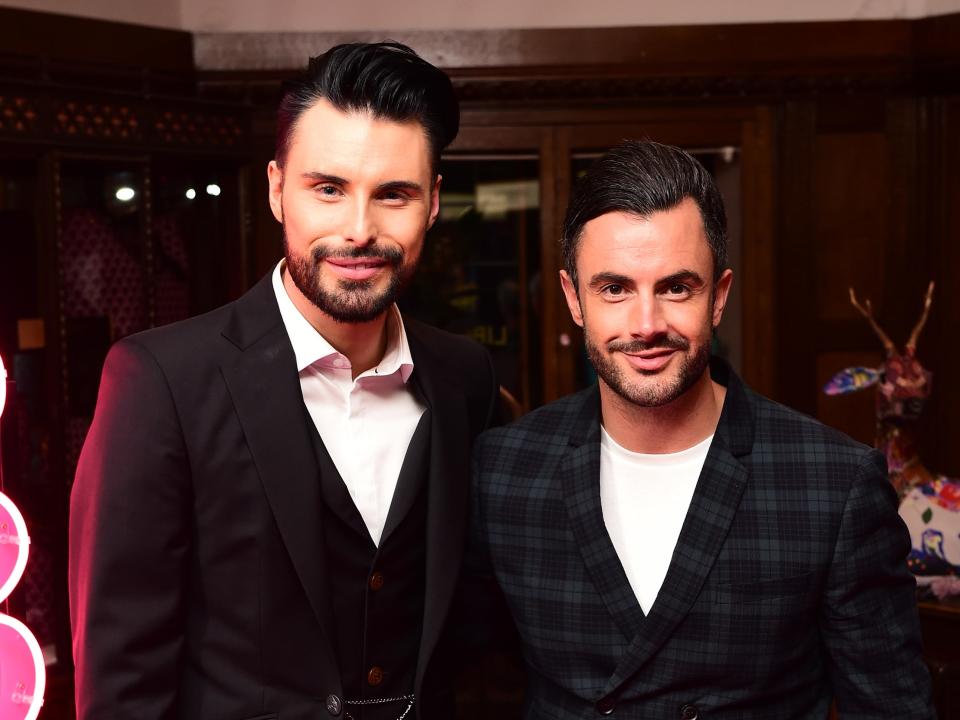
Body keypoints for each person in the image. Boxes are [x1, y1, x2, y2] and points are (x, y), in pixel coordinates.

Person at [69, 42, 497, 720]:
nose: (359, 230)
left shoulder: (466, 379)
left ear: (434, 203)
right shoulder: (160, 382)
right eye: (328, 188)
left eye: (393, 194)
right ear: (276, 189)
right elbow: (122, 679)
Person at [470, 140, 934, 718]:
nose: (646, 325)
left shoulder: (835, 485)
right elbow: (472, 683)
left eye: (675, 287)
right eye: (614, 288)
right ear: (573, 298)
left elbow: (891, 709)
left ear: (718, 296)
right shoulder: (503, 469)